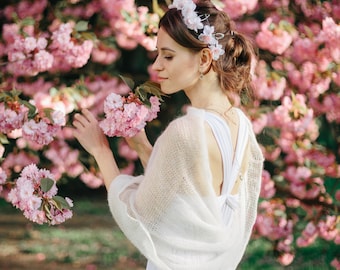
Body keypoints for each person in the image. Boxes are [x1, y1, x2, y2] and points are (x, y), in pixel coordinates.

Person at [73, 0, 264, 269]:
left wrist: (100, 150)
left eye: (168, 56)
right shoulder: (241, 126)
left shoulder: (185, 132)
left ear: (205, 58)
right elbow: (186, 193)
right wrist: (142, 148)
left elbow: (141, 214)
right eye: (157, 55)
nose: (157, 66)